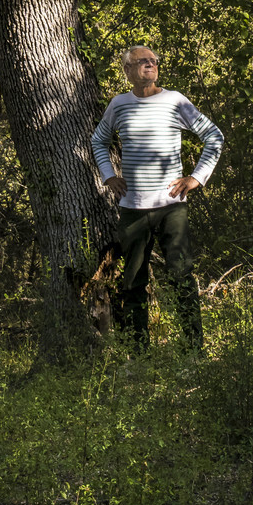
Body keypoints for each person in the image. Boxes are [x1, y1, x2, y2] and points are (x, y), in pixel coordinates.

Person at [90, 44, 223, 352]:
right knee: (133, 281)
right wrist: (109, 175)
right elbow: (99, 140)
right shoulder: (119, 104)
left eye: (153, 61)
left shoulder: (174, 100)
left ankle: (192, 352)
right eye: (141, 62)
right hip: (133, 208)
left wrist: (196, 177)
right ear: (127, 71)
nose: (149, 66)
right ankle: (138, 356)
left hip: (171, 206)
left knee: (180, 275)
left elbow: (213, 136)